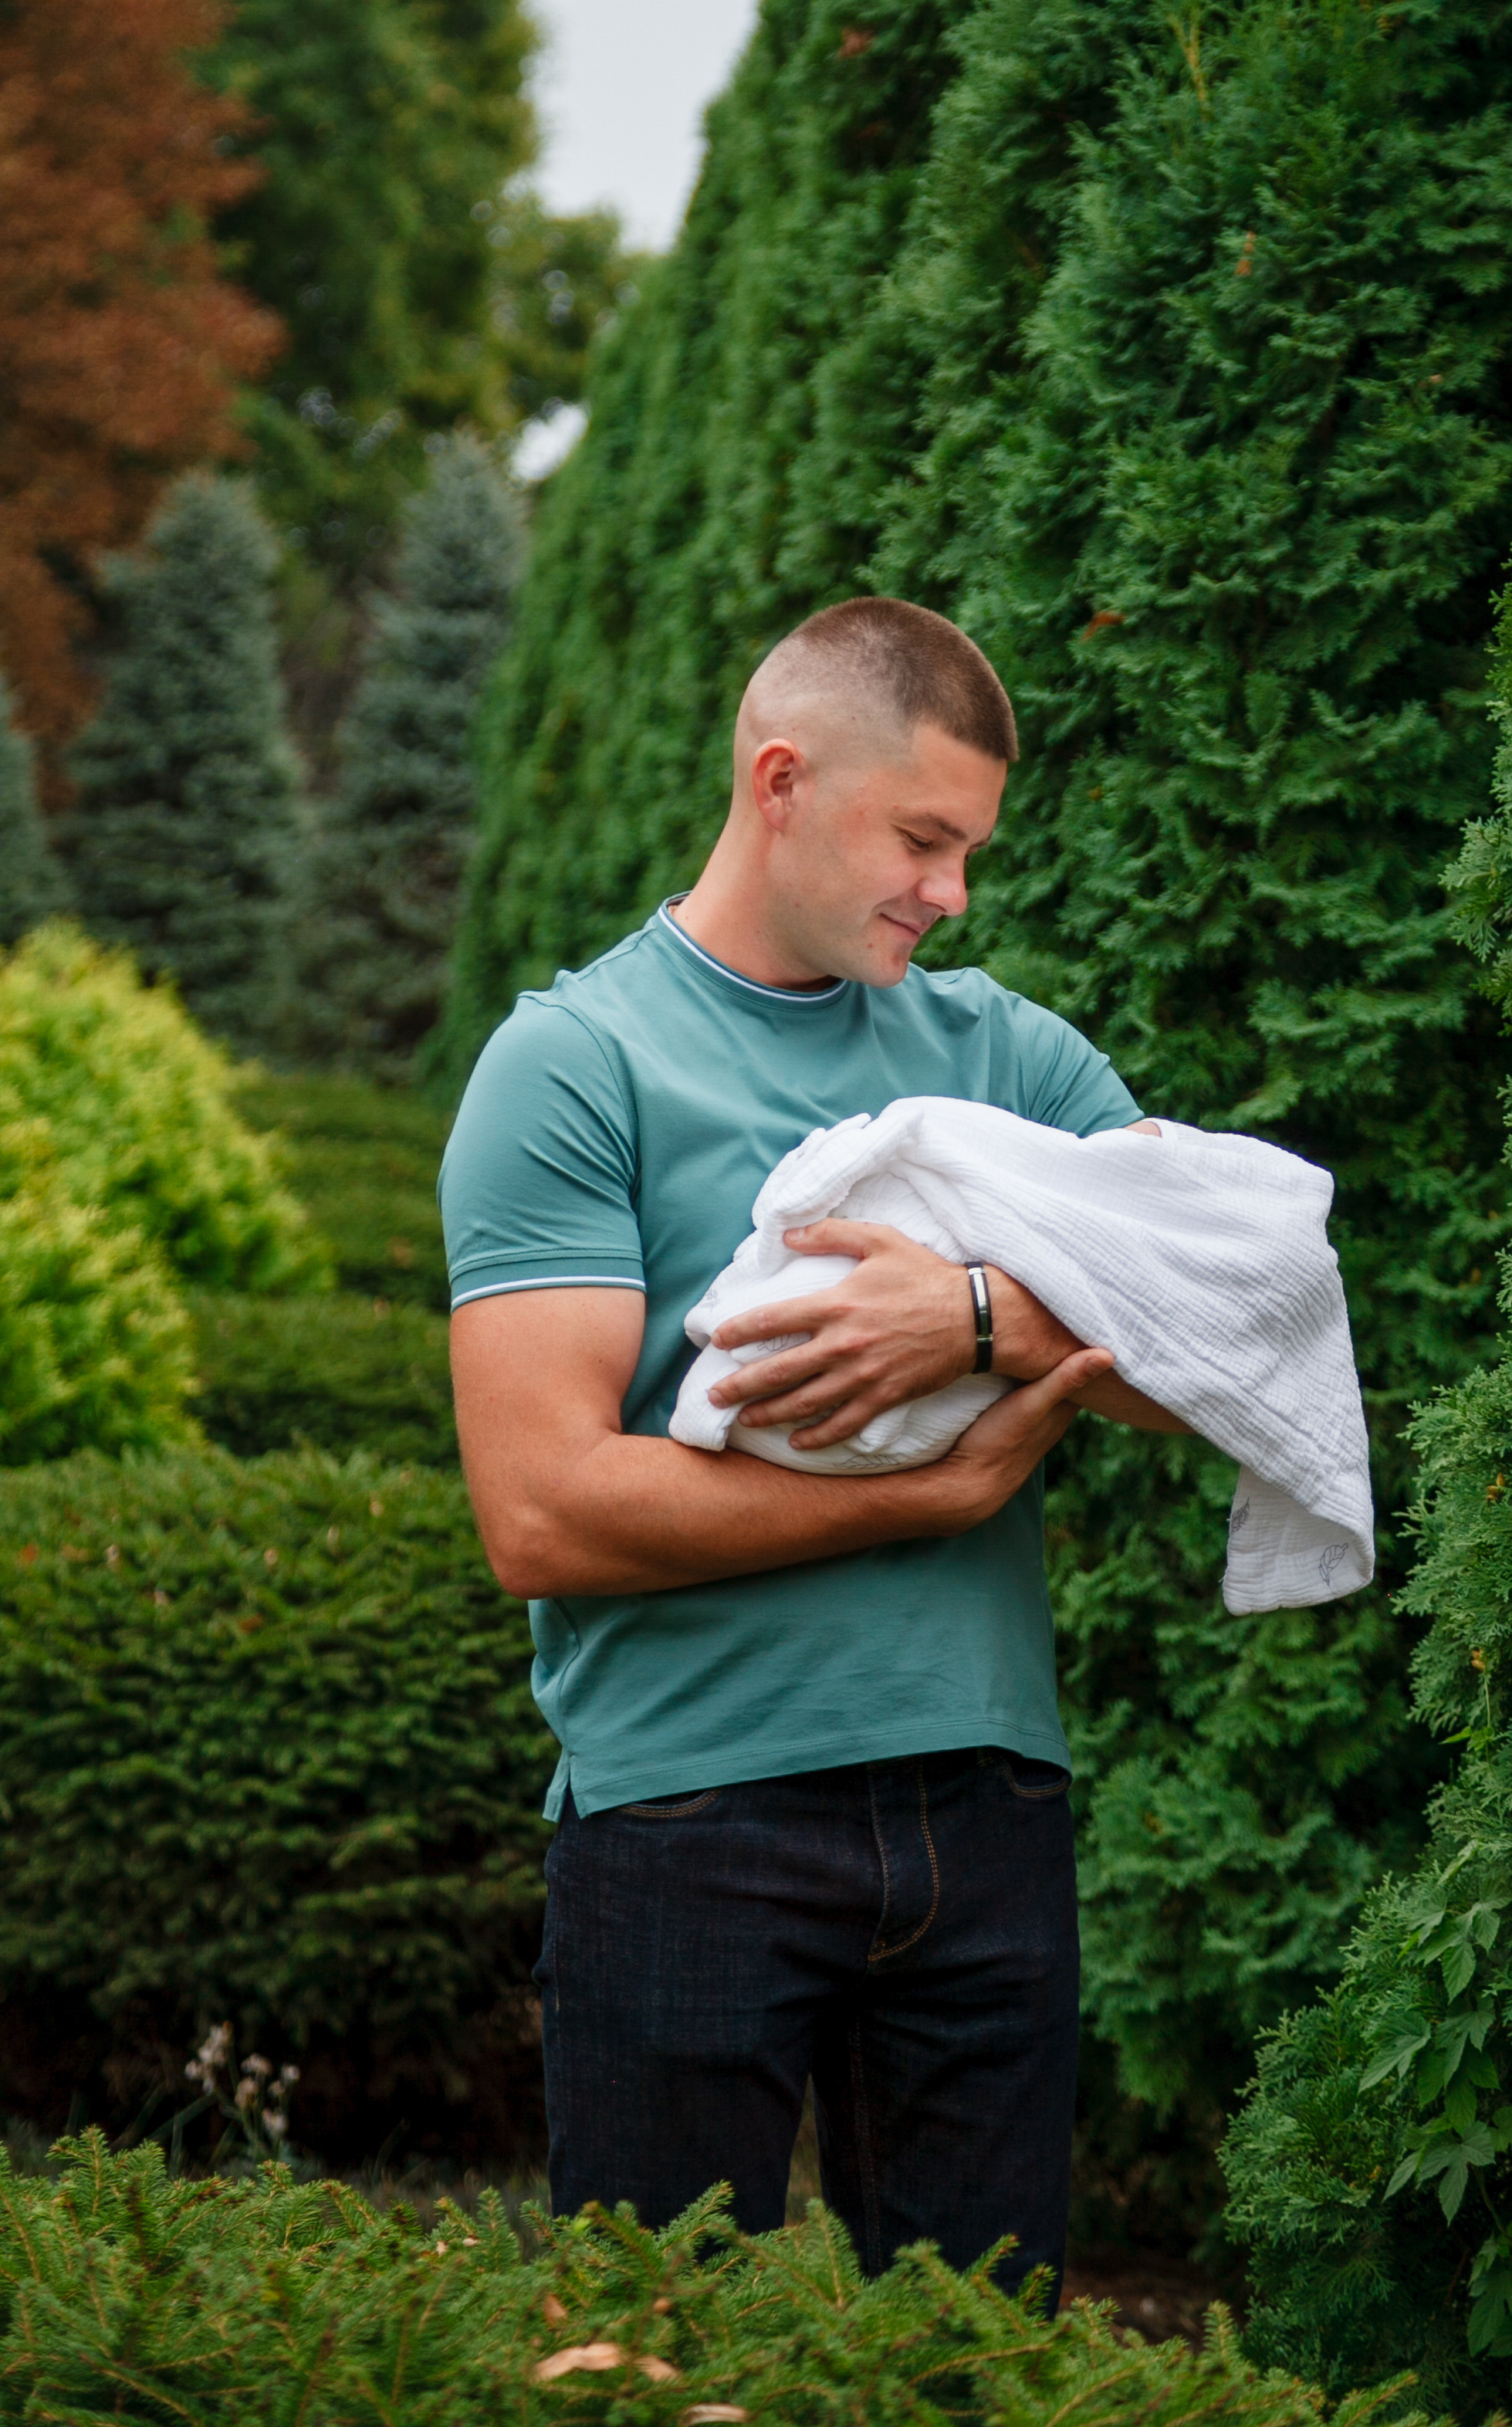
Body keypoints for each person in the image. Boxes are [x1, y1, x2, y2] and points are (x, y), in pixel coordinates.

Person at [442, 595, 1182, 2301]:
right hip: (686, 1812)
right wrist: (927, 1493)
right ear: (781, 781)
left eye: (970, 850)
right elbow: (541, 1513)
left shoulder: (1007, 1054)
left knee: (973, 2372)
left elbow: (1222, 1334)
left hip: (987, 1806)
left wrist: (978, 1320)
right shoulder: (576, 1065)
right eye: (922, 839)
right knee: (654, 2355)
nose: (952, 891)